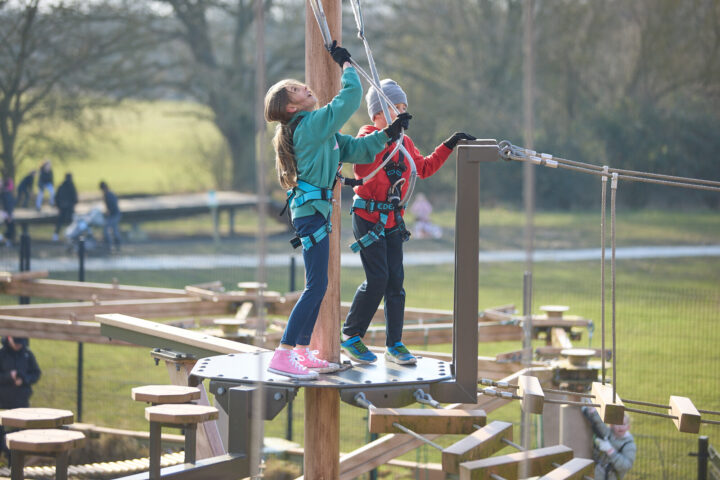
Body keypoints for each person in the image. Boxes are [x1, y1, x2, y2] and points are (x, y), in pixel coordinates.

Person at [263, 41, 409, 380]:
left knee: (319, 284)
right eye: (298, 89)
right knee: (316, 286)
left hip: (314, 212)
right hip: (311, 213)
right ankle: (283, 352)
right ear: (290, 108)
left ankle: (300, 350)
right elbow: (348, 101)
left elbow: (358, 149)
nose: (306, 87)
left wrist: (389, 134)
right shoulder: (310, 125)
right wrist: (346, 66)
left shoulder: (320, 130)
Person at [340, 78, 476, 365]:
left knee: (396, 282)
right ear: (377, 114)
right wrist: (388, 135)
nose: (401, 113)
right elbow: (364, 163)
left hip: (391, 220)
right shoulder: (367, 136)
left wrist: (448, 145)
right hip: (368, 217)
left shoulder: (405, 142)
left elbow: (422, 168)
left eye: (404, 108)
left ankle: (395, 343)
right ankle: (351, 334)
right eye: (395, 108)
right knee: (377, 278)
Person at [0, 336, 42, 461]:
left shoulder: (27, 354)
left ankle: (15, 465)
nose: (19, 345)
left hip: (21, 402)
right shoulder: (2, 354)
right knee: (3, 435)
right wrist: (9, 376)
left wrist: (24, 380)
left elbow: (36, 373)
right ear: (9, 338)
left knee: (19, 436)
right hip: (3, 403)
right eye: (16, 342)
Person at [581, 405, 636, 479]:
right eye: (617, 424)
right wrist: (593, 410)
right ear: (611, 425)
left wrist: (610, 451)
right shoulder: (609, 434)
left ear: (628, 427)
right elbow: (600, 424)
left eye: (623, 424)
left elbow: (625, 466)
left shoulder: (629, 445)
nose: (620, 427)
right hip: (596, 474)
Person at [53, 173, 78, 242]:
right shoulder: (72, 186)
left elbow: (56, 197)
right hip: (69, 209)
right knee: (71, 223)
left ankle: (55, 236)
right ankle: (69, 237)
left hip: (62, 208)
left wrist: (58, 206)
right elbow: (75, 198)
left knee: (59, 222)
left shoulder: (61, 186)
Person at [99, 180, 121, 251]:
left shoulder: (108, 195)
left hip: (114, 214)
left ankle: (109, 243)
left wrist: (108, 212)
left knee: (106, 228)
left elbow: (111, 206)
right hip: (116, 214)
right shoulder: (110, 193)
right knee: (114, 229)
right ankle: (117, 243)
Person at [1, 178, 16, 246]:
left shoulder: (5, 193)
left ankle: (7, 241)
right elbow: (7, 205)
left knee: (11, 228)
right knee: (10, 229)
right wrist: (9, 215)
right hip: (6, 214)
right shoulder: (6, 193)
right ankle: (5, 240)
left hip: (7, 214)